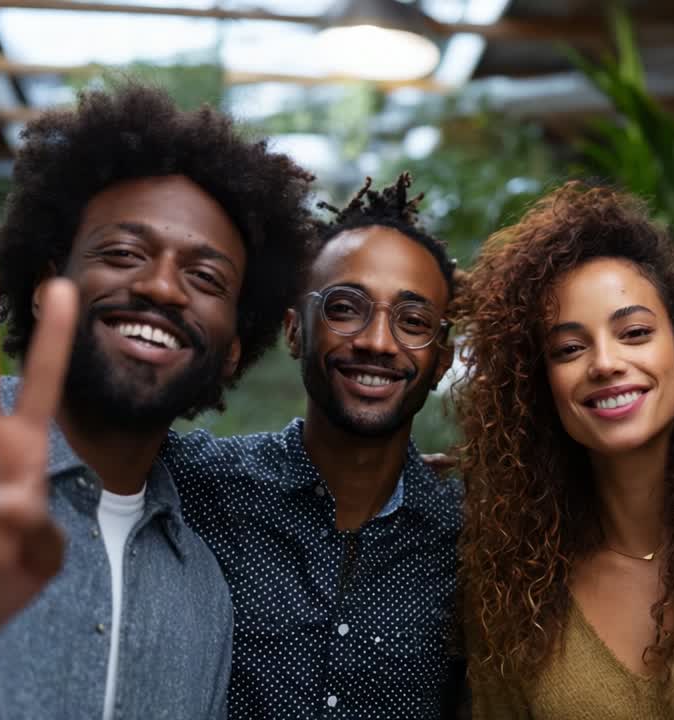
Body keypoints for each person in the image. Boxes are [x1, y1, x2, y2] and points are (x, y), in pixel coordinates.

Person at [0, 83, 315, 719]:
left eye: (205, 278)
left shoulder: (202, 595)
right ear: (49, 290)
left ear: (234, 350)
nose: (161, 287)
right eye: (124, 253)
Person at [456, 183, 674, 719]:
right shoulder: (509, 583)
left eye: (634, 332)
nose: (604, 363)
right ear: (542, 385)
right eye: (570, 348)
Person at [163, 173, 463, 719]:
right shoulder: (195, 488)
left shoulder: (470, 538)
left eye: (413, 321)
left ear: (441, 361)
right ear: (295, 330)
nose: (376, 341)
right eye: (346, 308)